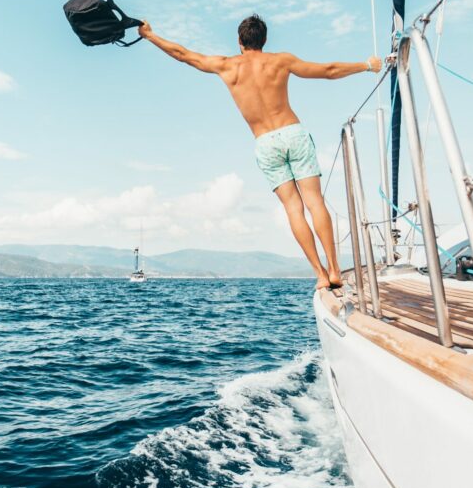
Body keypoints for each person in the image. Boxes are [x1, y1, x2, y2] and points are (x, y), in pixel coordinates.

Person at [138, 15, 382, 290]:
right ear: (264, 41)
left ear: (240, 42)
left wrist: (150, 35)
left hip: (265, 142)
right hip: (293, 132)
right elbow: (329, 70)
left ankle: (321, 275)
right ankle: (336, 269)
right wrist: (366, 65)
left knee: (293, 208)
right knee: (315, 201)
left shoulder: (227, 66)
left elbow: (182, 54)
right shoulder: (281, 61)